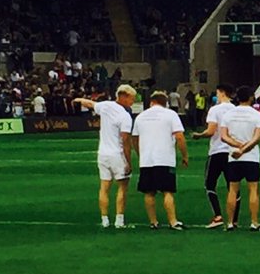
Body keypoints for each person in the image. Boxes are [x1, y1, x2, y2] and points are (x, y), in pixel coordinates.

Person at [72, 85, 136, 229]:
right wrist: (128, 162)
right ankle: (119, 220)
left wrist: (78, 99)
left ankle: (105, 220)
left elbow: (90, 104)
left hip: (103, 154)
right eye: (132, 98)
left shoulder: (106, 106)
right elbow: (126, 140)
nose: (133, 101)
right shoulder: (125, 116)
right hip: (117, 154)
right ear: (124, 96)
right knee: (123, 187)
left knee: (104, 188)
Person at [132, 90, 189, 229]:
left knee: (149, 192)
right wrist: (184, 155)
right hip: (164, 158)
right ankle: (173, 221)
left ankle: (153, 222)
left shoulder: (141, 116)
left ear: (151, 102)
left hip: (146, 159)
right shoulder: (171, 115)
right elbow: (179, 136)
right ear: (166, 103)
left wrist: (140, 153)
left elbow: (134, 138)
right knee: (167, 191)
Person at [219, 85, 260, 232]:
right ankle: (254, 222)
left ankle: (230, 223)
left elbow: (224, 136)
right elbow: (257, 137)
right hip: (251, 157)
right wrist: (244, 148)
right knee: (253, 190)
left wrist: (237, 146)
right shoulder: (256, 115)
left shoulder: (229, 114)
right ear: (251, 98)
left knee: (232, 190)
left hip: (234, 157)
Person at [195, 83, 238, 230]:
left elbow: (211, 130)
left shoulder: (215, 110)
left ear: (221, 92)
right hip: (232, 151)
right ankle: (234, 219)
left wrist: (199, 135)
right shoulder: (236, 109)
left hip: (217, 150)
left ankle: (218, 215)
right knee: (232, 186)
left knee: (210, 184)